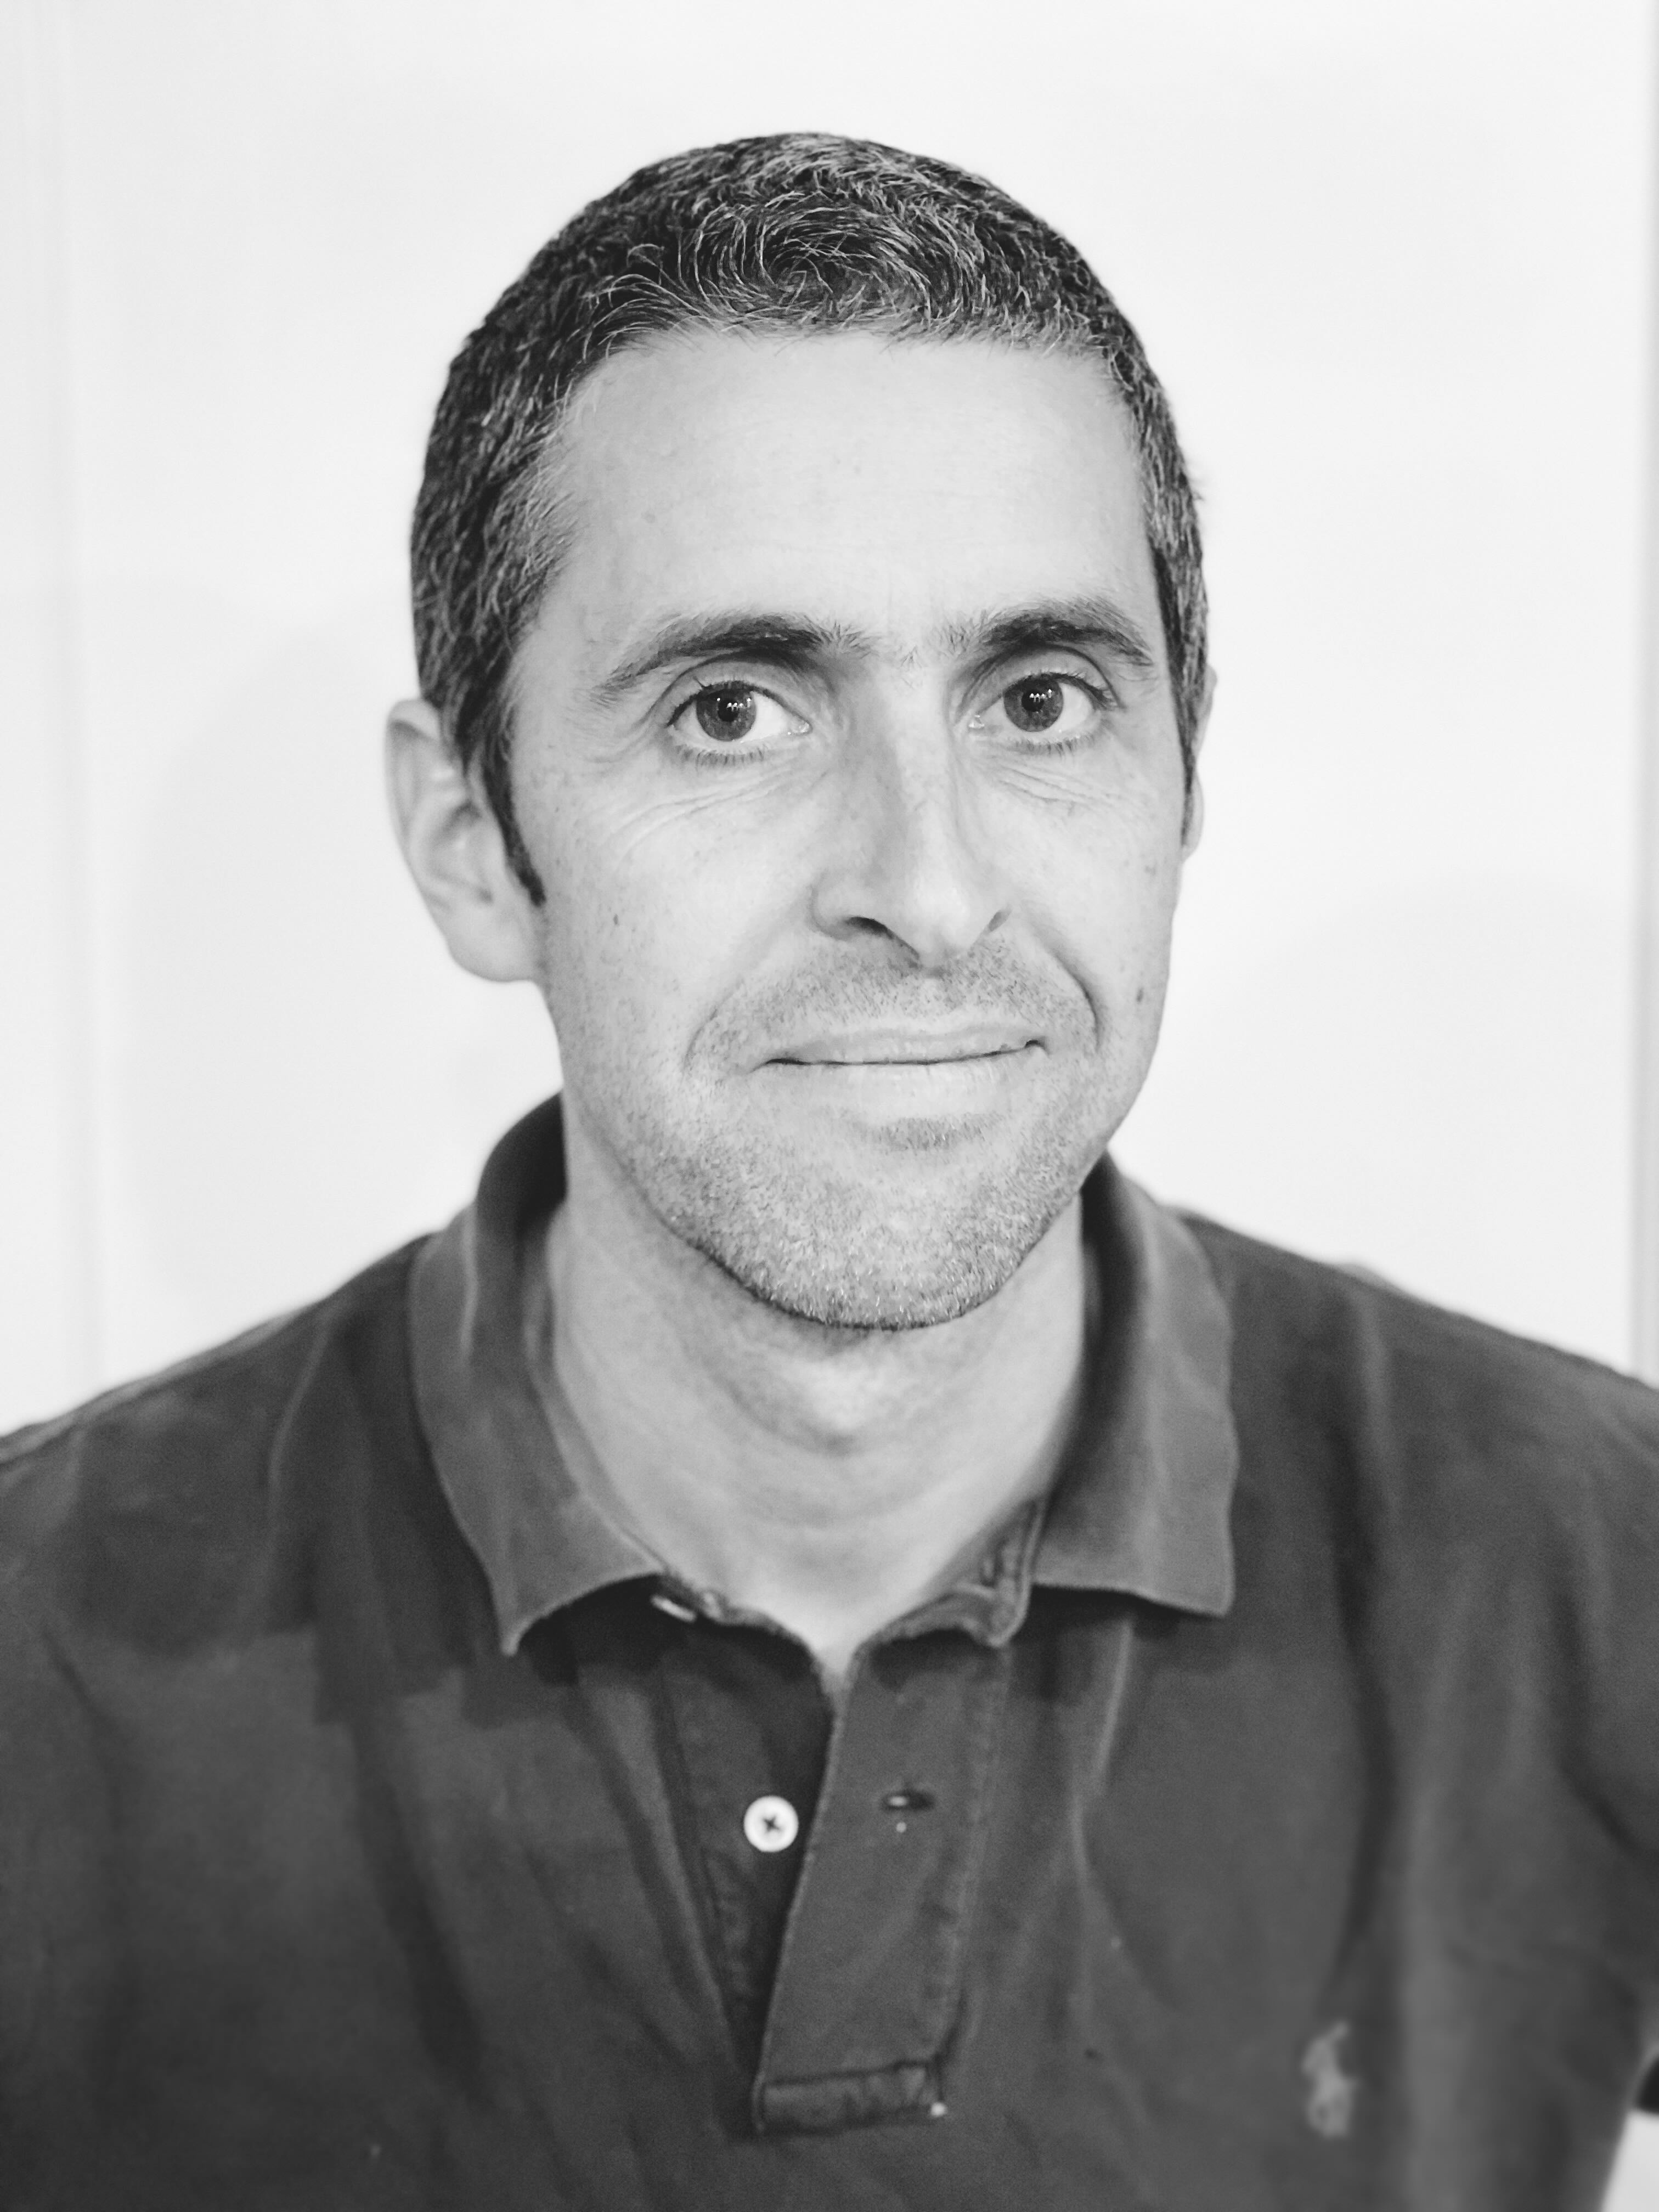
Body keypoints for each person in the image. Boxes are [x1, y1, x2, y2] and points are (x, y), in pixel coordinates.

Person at [1, 132, 1655, 2212]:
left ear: (1183, 782)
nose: (933, 887)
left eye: (1041, 698)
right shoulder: (40, 1654)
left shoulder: (1597, 1565)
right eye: (732, 712)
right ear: (468, 843)